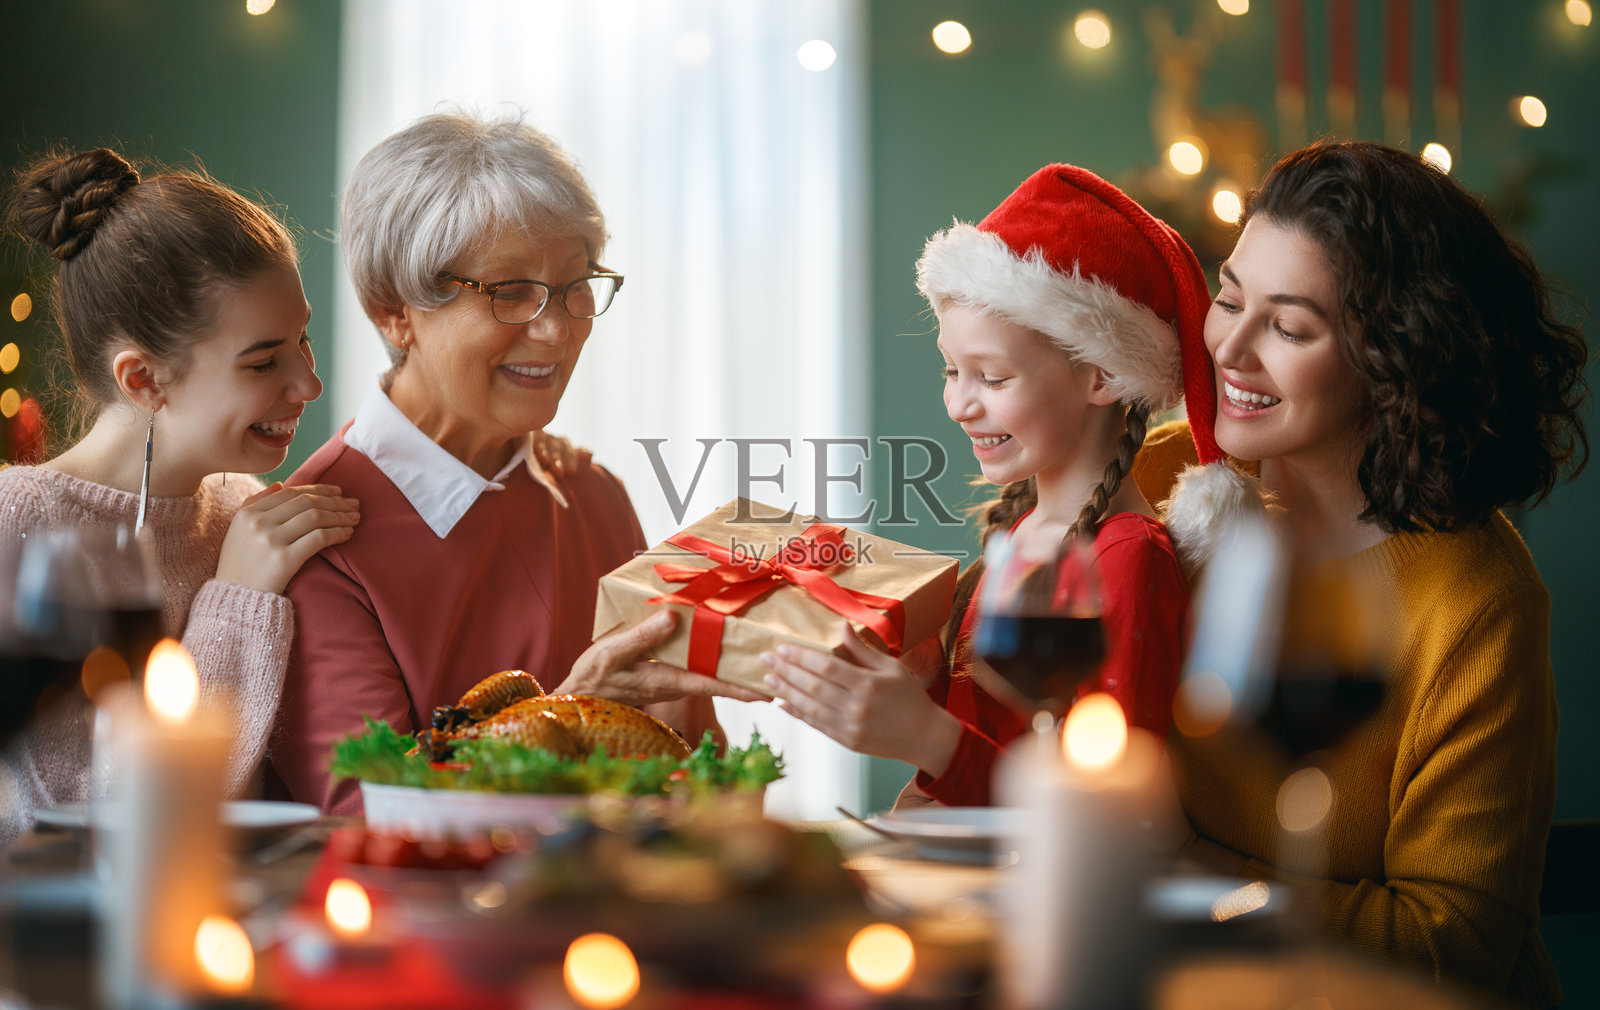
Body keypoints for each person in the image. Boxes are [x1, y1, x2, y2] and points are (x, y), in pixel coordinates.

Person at [1134, 141, 1588, 1009]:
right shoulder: (1162, 478)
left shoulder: (1476, 601)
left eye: (1291, 327)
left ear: (1395, 362)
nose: (1229, 347)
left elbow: (1448, 951)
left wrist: (1192, 869)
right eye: (1228, 298)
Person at [271, 112, 762, 815]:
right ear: (393, 313)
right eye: (509, 291)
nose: (556, 329)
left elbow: (702, 792)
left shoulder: (595, 496)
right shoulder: (317, 535)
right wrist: (569, 717)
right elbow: (363, 814)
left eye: (574, 284)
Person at [763, 164, 1224, 806]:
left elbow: (1103, 807)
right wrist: (917, 684)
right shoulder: (1021, 531)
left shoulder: (1127, 560)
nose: (958, 404)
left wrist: (929, 738)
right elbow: (997, 733)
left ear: (1104, 377)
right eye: (952, 370)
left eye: (994, 378)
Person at [0, 148, 361, 843]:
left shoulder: (240, 508)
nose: (309, 385)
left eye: (303, 341)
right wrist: (237, 599)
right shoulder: (19, 523)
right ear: (143, 380)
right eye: (263, 361)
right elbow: (90, 826)